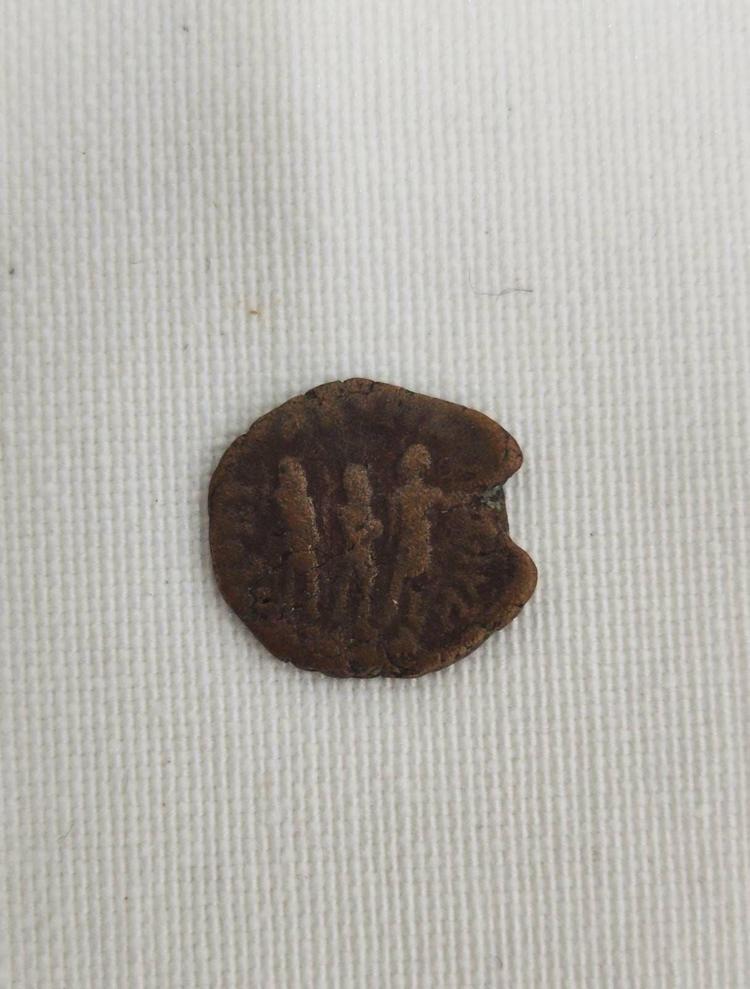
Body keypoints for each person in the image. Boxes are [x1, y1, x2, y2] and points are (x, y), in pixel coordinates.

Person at [334, 464, 383, 626]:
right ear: (352, 488)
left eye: (365, 484)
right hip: (354, 554)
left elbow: (375, 534)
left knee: (358, 585)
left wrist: (376, 528)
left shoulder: (365, 511)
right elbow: (353, 538)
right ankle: (345, 615)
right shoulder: (346, 512)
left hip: (364, 554)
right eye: (361, 485)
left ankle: (361, 617)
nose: (367, 489)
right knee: (352, 583)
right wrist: (368, 529)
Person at [275, 457, 320, 617]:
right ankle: (294, 608)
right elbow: (303, 522)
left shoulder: (303, 499)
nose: (301, 476)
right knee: (297, 577)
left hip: (302, 544)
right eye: (296, 471)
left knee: (300, 577)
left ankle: (304, 607)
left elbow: (310, 523)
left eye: (299, 471)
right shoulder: (285, 498)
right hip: (295, 544)